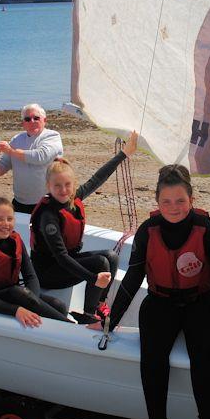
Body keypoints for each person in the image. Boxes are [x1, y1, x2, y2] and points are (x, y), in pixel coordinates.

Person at [90, 164, 210, 419]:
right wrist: (110, 322)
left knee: (205, 362)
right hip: (160, 304)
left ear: (192, 200)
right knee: (152, 360)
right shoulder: (148, 230)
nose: (174, 208)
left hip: (199, 304)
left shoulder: (207, 232)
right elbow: (132, 278)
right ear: (157, 202)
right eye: (167, 202)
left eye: (180, 201)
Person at [29, 131, 138, 324]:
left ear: (73, 184)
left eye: (67, 185)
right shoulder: (48, 217)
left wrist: (124, 154)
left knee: (111, 257)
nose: (63, 190)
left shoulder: (73, 198)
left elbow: (97, 179)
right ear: (48, 186)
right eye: (57, 186)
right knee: (100, 264)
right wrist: (92, 278)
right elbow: (62, 258)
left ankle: (98, 305)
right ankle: (88, 316)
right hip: (46, 273)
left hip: (64, 263)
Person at [0, 197, 71, 327]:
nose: (6, 224)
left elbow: (30, 276)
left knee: (59, 305)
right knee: (19, 292)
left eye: (10, 219)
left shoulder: (14, 239)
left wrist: (31, 301)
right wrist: (16, 310)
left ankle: (58, 334)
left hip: (15, 294)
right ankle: (71, 327)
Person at [0, 103, 63, 214]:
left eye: (36, 118)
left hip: (47, 201)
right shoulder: (16, 139)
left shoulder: (52, 136)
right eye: (27, 119)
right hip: (20, 202)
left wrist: (11, 151)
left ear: (44, 120)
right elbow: (4, 163)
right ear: (23, 123)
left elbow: (40, 156)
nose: (32, 121)